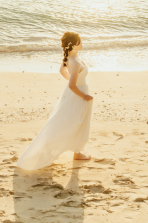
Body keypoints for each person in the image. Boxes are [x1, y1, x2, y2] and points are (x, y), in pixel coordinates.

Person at [17, 32, 94, 170]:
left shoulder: (70, 58)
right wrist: (83, 95)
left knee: (74, 122)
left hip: (73, 94)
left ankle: (77, 152)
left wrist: (73, 83)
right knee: (75, 123)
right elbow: (72, 85)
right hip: (78, 95)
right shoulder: (75, 63)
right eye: (80, 42)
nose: (82, 44)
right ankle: (75, 153)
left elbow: (62, 71)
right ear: (74, 45)